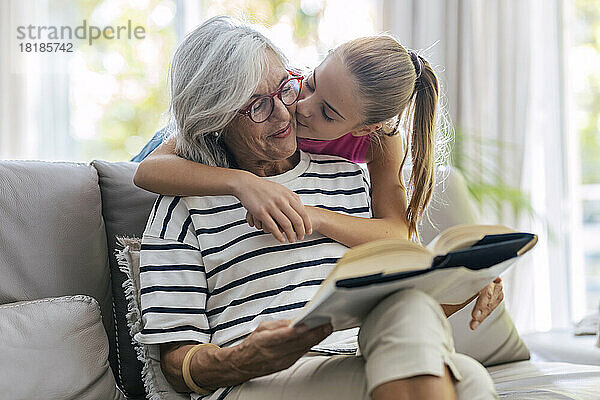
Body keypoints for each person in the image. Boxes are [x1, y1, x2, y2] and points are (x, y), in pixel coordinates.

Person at [135, 16, 499, 400]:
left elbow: (390, 292)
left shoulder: (351, 177)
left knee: (460, 369)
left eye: (284, 89)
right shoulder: (184, 204)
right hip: (258, 380)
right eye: (257, 105)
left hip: (361, 356)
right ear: (215, 117)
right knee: (466, 384)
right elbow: (176, 366)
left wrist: (464, 282)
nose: (287, 113)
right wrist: (244, 357)